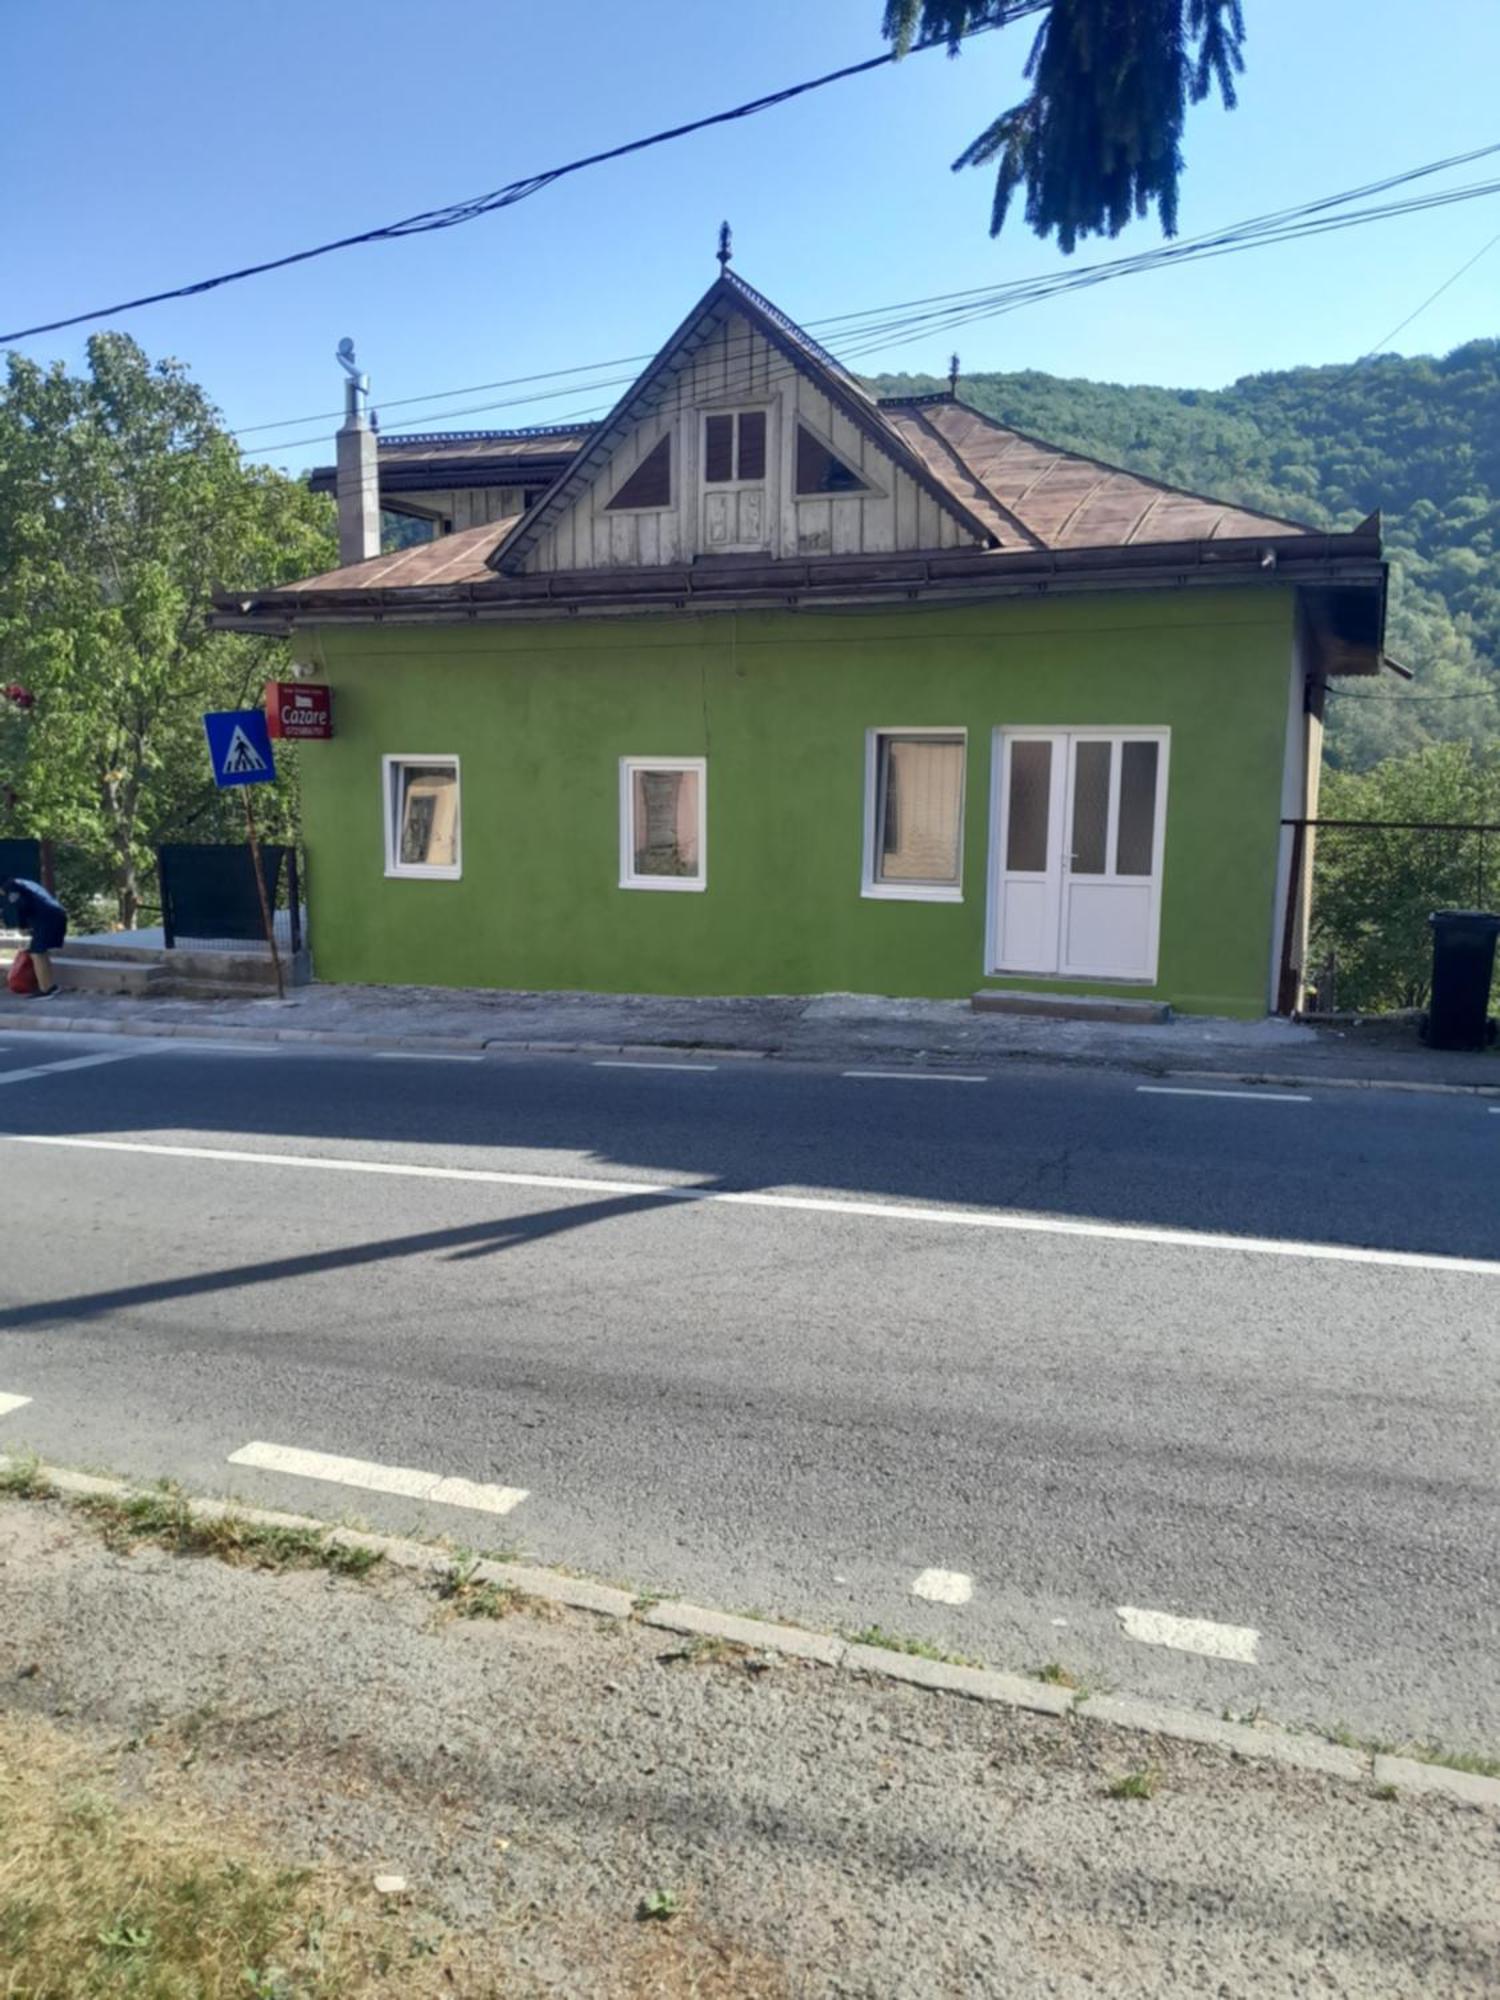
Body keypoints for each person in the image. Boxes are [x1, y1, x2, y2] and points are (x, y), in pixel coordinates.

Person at [1, 876, 66, 997]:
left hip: (48, 917)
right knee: (40, 951)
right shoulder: (21, 882)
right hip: (55, 914)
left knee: (37, 952)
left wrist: (22, 926)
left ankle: (46, 990)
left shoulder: (12, 887)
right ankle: (49, 985)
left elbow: (22, 906)